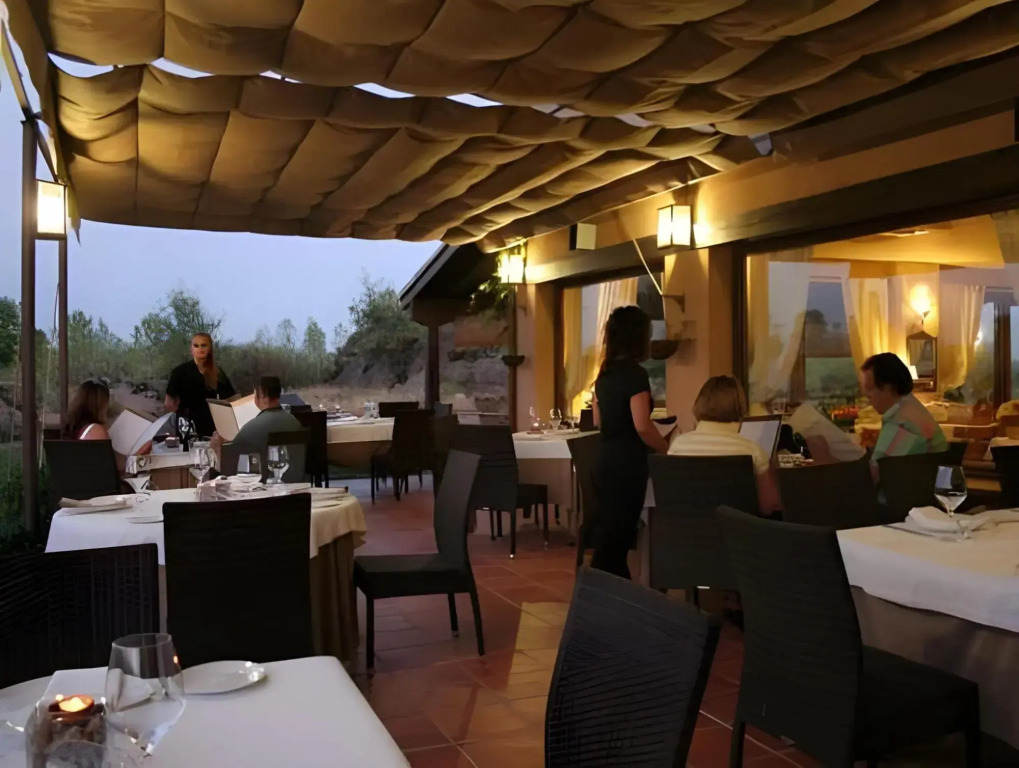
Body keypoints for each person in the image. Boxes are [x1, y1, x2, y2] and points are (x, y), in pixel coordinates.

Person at [590, 305, 669, 579]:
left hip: (604, 460)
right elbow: (642, 425)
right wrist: (667, 449)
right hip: (627, 464)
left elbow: (599, 421)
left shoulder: (604, 374)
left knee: (610, 539)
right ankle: (602, 594)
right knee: (618, 541)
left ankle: (607, 593)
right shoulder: (635, 374)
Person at [668, 375, 781, 515]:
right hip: (737, 528)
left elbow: (672, 501)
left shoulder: (677, 446)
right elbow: (768, 507)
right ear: (740, 405)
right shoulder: (752, 451)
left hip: (686, 527)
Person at [861, 352, 946, 472]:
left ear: (889, 387)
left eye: (869, 389)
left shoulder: (902, 423)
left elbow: (878, 471)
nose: (866, 394)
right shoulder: (912, 407)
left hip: (920, 482)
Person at [211, 375, 301, 461]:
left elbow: (230, 465)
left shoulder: (249, 430)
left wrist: (219, 451)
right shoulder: (296, 423)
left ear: (261, 394)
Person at [165, 333, 235, 439]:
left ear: (210, 348)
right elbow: (169, 402)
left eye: (203, 345)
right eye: (196, 346)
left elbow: (230, 399)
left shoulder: (217, 373)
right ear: (191, 349)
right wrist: (181, 416)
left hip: (211, 426)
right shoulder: (180, 372)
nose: (200, 349)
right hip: (187, 426)